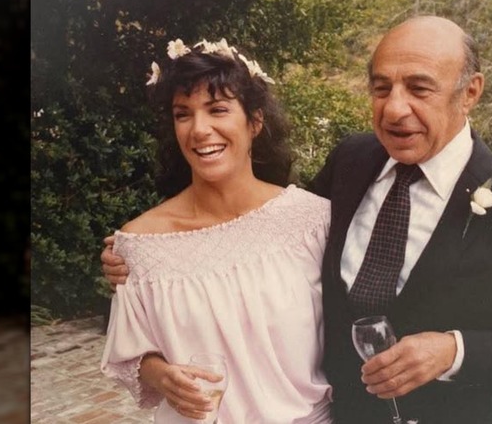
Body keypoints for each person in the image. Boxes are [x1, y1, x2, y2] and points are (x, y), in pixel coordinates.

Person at [103, 16, 492, 423]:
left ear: (469, 91)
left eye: (418, 88)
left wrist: (452, 350)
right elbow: (266, 240)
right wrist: (144, 255)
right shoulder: (352, 162)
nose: (394, 109)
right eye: (381, 87)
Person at [99, 38, 333, 424]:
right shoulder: (141, 244)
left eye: (218, 109)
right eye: (182, 114)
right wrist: (163, 376)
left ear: (255, 121)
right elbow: (131, 353)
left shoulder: (312, 221)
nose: (199, 129)